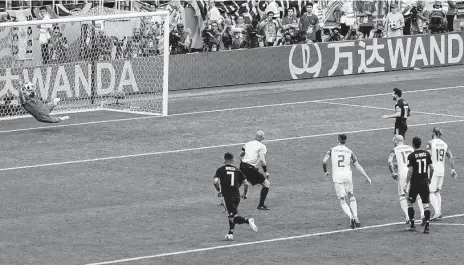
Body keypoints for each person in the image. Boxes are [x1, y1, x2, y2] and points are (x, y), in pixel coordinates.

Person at [322, 134, 372, 229]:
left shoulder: (332, 150)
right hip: (348, 177)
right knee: (351, 196)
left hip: (337, 177)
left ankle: (351, 217)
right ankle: (356, 217)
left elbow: (324, 161)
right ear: (346, 141)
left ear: (338, 140)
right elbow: (358, 166)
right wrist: (367, 176)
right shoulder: (350, 152)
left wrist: (325, 171)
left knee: (342, 200)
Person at [213, 152, 258, 240]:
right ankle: (230, 233)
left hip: (227, 196)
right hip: (236, 196)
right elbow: (246, 183)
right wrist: (244, 194)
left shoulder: (220, 169)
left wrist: (219, 190)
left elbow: (215, 181)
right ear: (232, 160)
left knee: (232, 217)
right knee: (232, 214)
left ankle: (248, 221)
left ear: (225, 160)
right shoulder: (238, 170)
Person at [388, 135, 425, 223]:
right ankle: (423, 214)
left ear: (396, 142)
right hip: (414, 171)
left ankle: (408, 217)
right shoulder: (411, 148)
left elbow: (389, 161)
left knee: (402, 195)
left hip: (403, 174)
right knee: (418, 194)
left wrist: (392, 172)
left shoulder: (395, 150)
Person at [426, 127, 457, 220]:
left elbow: (427, 156)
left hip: (433, 170)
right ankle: (438, 211)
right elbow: (451, 157)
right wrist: (452, 169)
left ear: (433, 133)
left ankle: (437, 211)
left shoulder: (430, 143)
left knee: (430, 192)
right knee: (437, 191)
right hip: (441, 170)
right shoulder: (444, 144)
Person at [405, 137, 434, 234]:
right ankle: (427, 227)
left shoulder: (411, 156)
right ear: (420, 144)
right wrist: (429, 178)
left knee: (410, 202)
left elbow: (410, 171)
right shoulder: (426, 154)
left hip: (415, 183)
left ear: (413, 144)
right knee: (426, 204)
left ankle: (412, 225)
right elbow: (432, 168)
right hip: (425, 182)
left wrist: (406, 183)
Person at [240, 130, 271, 210]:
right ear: (262, 138)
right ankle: (261, 205)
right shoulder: (262, 146)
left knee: (238, 183)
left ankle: (224, 198)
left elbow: (241, 155)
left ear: (255, 136)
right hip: (250, 168)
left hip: (242, 165)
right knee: (266, 184)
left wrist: (244, 164)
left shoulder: (248, 143)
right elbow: (262, 161)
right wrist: (266, 172)